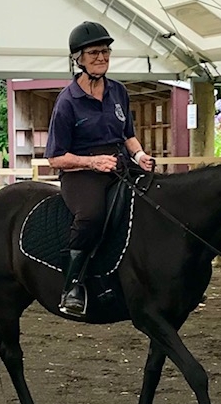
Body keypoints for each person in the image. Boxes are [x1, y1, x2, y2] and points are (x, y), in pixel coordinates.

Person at [45, 21, 153, 317]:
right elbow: (55, 158)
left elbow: (128, 134)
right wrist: (92, 162)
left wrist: (140, 154)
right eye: (94, 52)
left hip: (120, 163)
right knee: (92, 215)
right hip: (81, 172)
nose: (101, 57)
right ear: (78, 58)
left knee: (155, 195)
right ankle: (72, 285)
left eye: (105, 52)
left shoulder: (118, 91)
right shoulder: (67, 101)